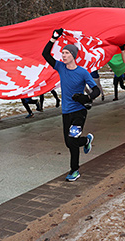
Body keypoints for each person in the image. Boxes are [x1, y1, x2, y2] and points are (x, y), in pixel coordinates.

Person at [42, 28, 99, 181]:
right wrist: (54, 38)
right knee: (68, 143)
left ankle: (75, 170)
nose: (63, 55)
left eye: (66, 53)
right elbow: (45, 54)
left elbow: (96, 90)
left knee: (73, 141)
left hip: (79, 111)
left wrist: (86, 98)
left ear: (73, 55)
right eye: (63, 53)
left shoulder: (83, 72)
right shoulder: (60, 67)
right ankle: (86, 140)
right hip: (66, 111)